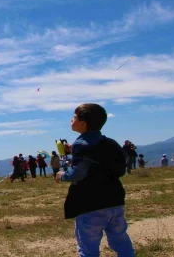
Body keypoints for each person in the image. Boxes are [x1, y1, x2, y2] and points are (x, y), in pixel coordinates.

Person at [56, 103, 134, 257]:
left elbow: (77, 174)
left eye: (74, 117)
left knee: (88, 247)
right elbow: (122, 159)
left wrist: (62, 175)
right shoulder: (110, 142)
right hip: (115, 199)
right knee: (120, 240)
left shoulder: (81, 144)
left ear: (83, 123)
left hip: (90, 203)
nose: (71, 120)